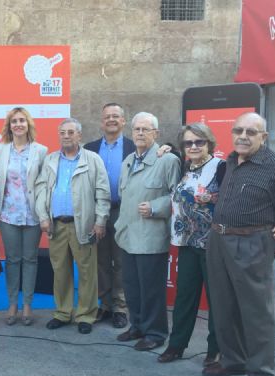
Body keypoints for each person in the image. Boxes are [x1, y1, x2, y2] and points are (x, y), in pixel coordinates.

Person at [203, 112, 275, 376]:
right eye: (238, 130)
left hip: (252, 242)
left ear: (263, 137)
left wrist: (274, 242)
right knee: (223, 305)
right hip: (218, 239)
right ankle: (233, 361)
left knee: (256, 311)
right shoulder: (229, 160)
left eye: (251, 132)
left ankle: (262, 374)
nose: (243, 136)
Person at [36, 118, 111, 334]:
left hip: (84, 225)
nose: (66, 136)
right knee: (60, 271)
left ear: (79, 135)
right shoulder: (50, 160)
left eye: (71, 132)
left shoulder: (93, 159)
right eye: (62, 132)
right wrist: (43, 217)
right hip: (56, 225)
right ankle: (62, 313)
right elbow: (42, 190)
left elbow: (102, 193)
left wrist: (100, 221)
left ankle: (86, 315)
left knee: (88, 272)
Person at [114, 112, 180, 351]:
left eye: (146, 129)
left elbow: (178, 196)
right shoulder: (128, 160)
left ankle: (156, 332)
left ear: (156, 134)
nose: (140, 133)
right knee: (131, 286)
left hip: (151, 236)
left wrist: (155, 207)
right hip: (128, 234)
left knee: (151, 288)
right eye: (137, 129)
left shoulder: (168, 161)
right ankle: (138, 326)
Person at [158, 123, 222, 366]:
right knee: (184, 297)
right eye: (188, 143)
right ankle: (176, 346)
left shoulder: (221, 167)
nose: (193, 146)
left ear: (209, 144)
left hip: (212, 245)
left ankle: (215, 350)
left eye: (199, 142)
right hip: (186, 244)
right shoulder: (185, 166)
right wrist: (170, 149)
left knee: (216, 301)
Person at [0, 107, 47, 325]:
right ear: (9, 126)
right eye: (14, 121)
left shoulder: (41, 151)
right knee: (13, 260)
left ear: (28, 124)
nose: (18, 124)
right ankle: (13, 304)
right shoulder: (0, 150)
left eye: (22, 120)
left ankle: (27, 305)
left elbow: (44, 185)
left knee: (30, 260)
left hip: (32, 215)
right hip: (8, 215)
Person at [84, 103, 135, 329]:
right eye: (107, 117)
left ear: (123, 121)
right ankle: (104, 305)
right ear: (101, 122)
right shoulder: (90, 149)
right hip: (98, 213)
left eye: (116, 116)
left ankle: (120, 307)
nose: (111, 120)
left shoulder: (135, 148)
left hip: (124, 212)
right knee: (101, 261)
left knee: (121, 262)